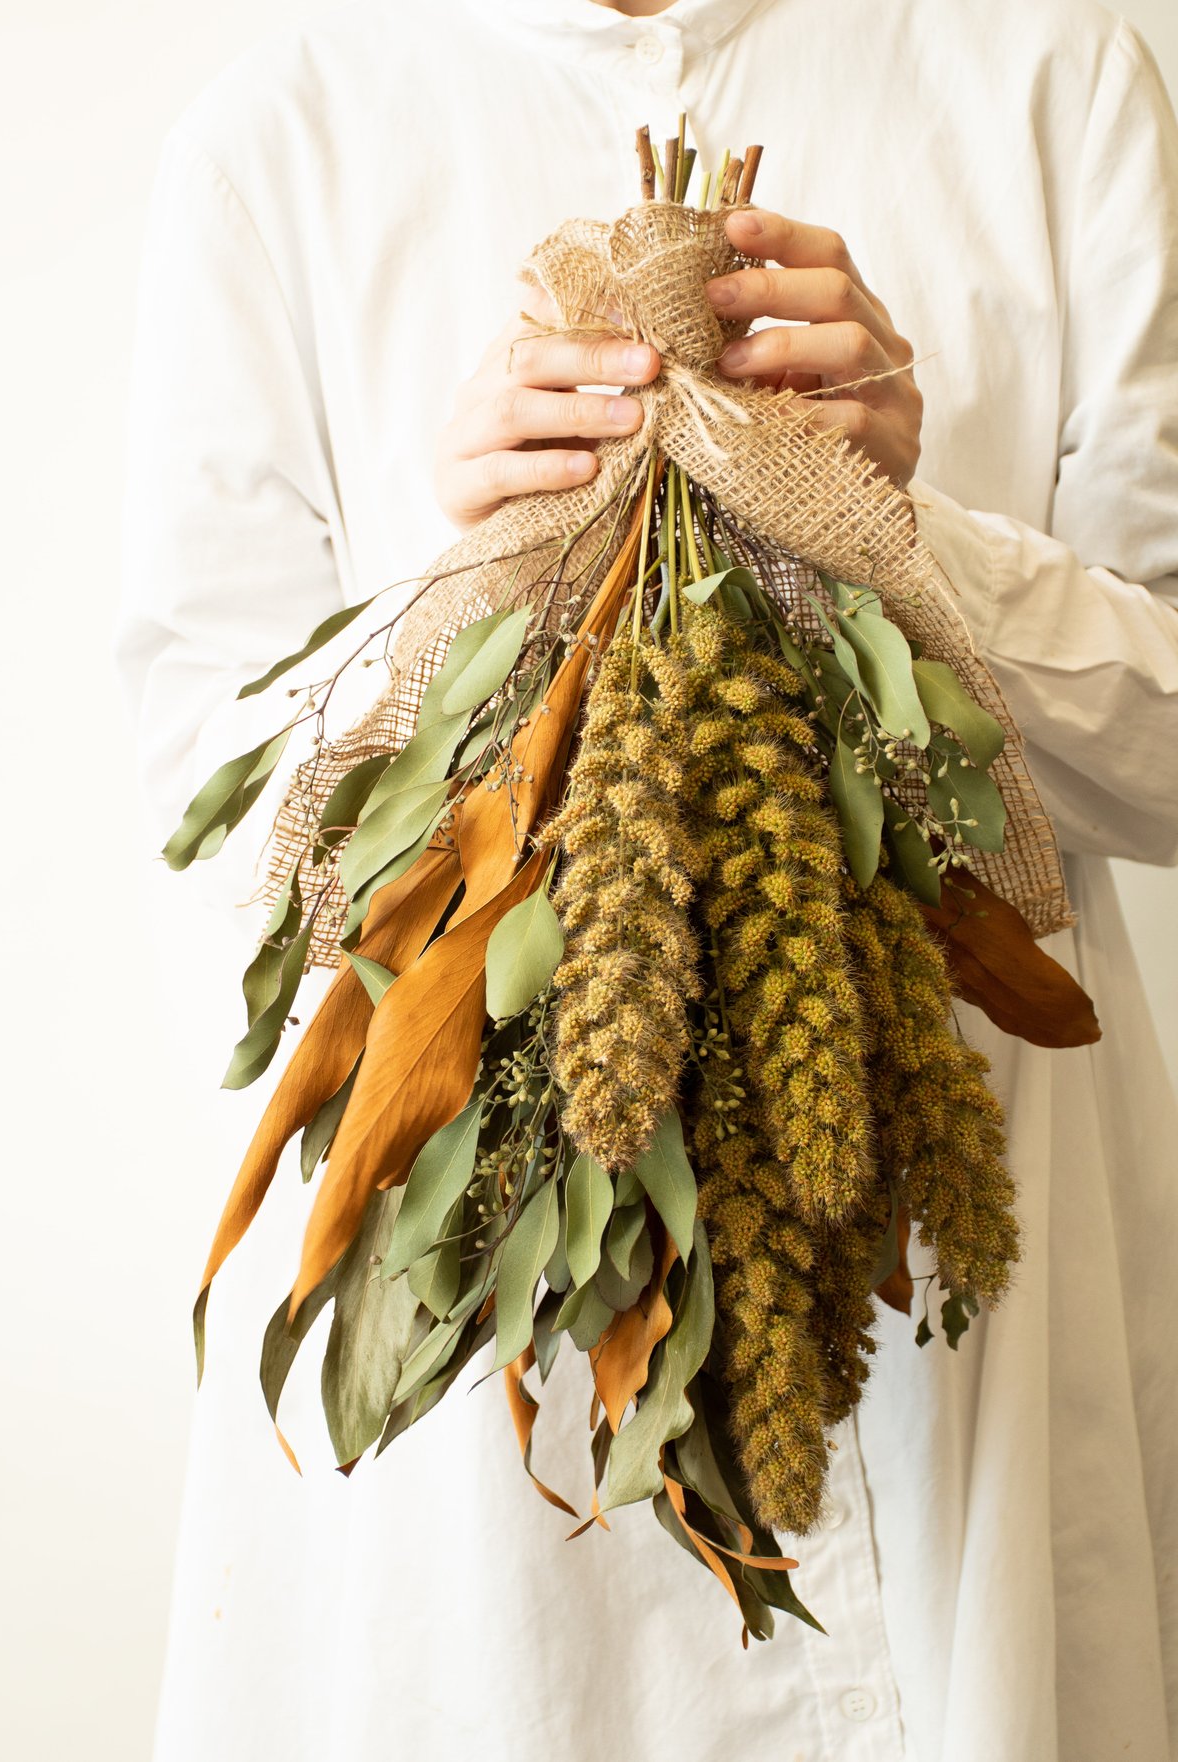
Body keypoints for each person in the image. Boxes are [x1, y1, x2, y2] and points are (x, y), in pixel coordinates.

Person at [115, 1, 1178, 1757]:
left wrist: (902, 538)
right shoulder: (280, 148)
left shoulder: (1052, 79)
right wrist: (471, 582)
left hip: (959, 1318)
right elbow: (222, 829)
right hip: (499, 1449)